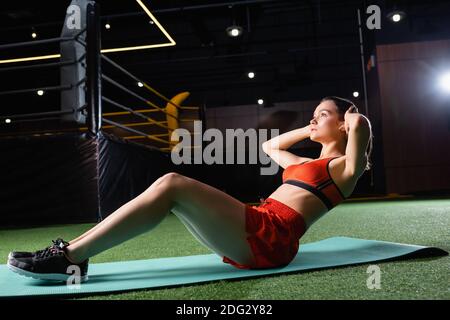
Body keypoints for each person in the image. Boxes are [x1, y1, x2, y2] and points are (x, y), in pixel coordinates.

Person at [7, 96, 373, 282]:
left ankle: (71, 258)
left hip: (273, 237)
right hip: (260, 224)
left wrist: (357, 118)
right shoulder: (302, 165)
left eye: (322, 114)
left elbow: (359, 142)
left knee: (171, 184)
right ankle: (72, 254)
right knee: (171, 192)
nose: (313, 118)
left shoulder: (342, 170)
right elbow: (270, 147)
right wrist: (313, 127)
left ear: (345, 125)